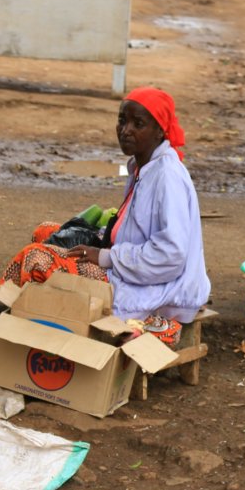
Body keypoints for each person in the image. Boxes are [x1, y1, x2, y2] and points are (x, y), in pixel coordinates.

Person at [64, 87, 210, 347]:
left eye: (138, 124)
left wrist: (107, 257)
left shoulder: (167, 176)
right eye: (122, 120)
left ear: (160, 131)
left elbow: (170, 255)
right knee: (48, 235)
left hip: (165, 287)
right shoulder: (142, 166)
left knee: (45, 264)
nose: (125, 130)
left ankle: (158, 325)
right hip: (137, 271)